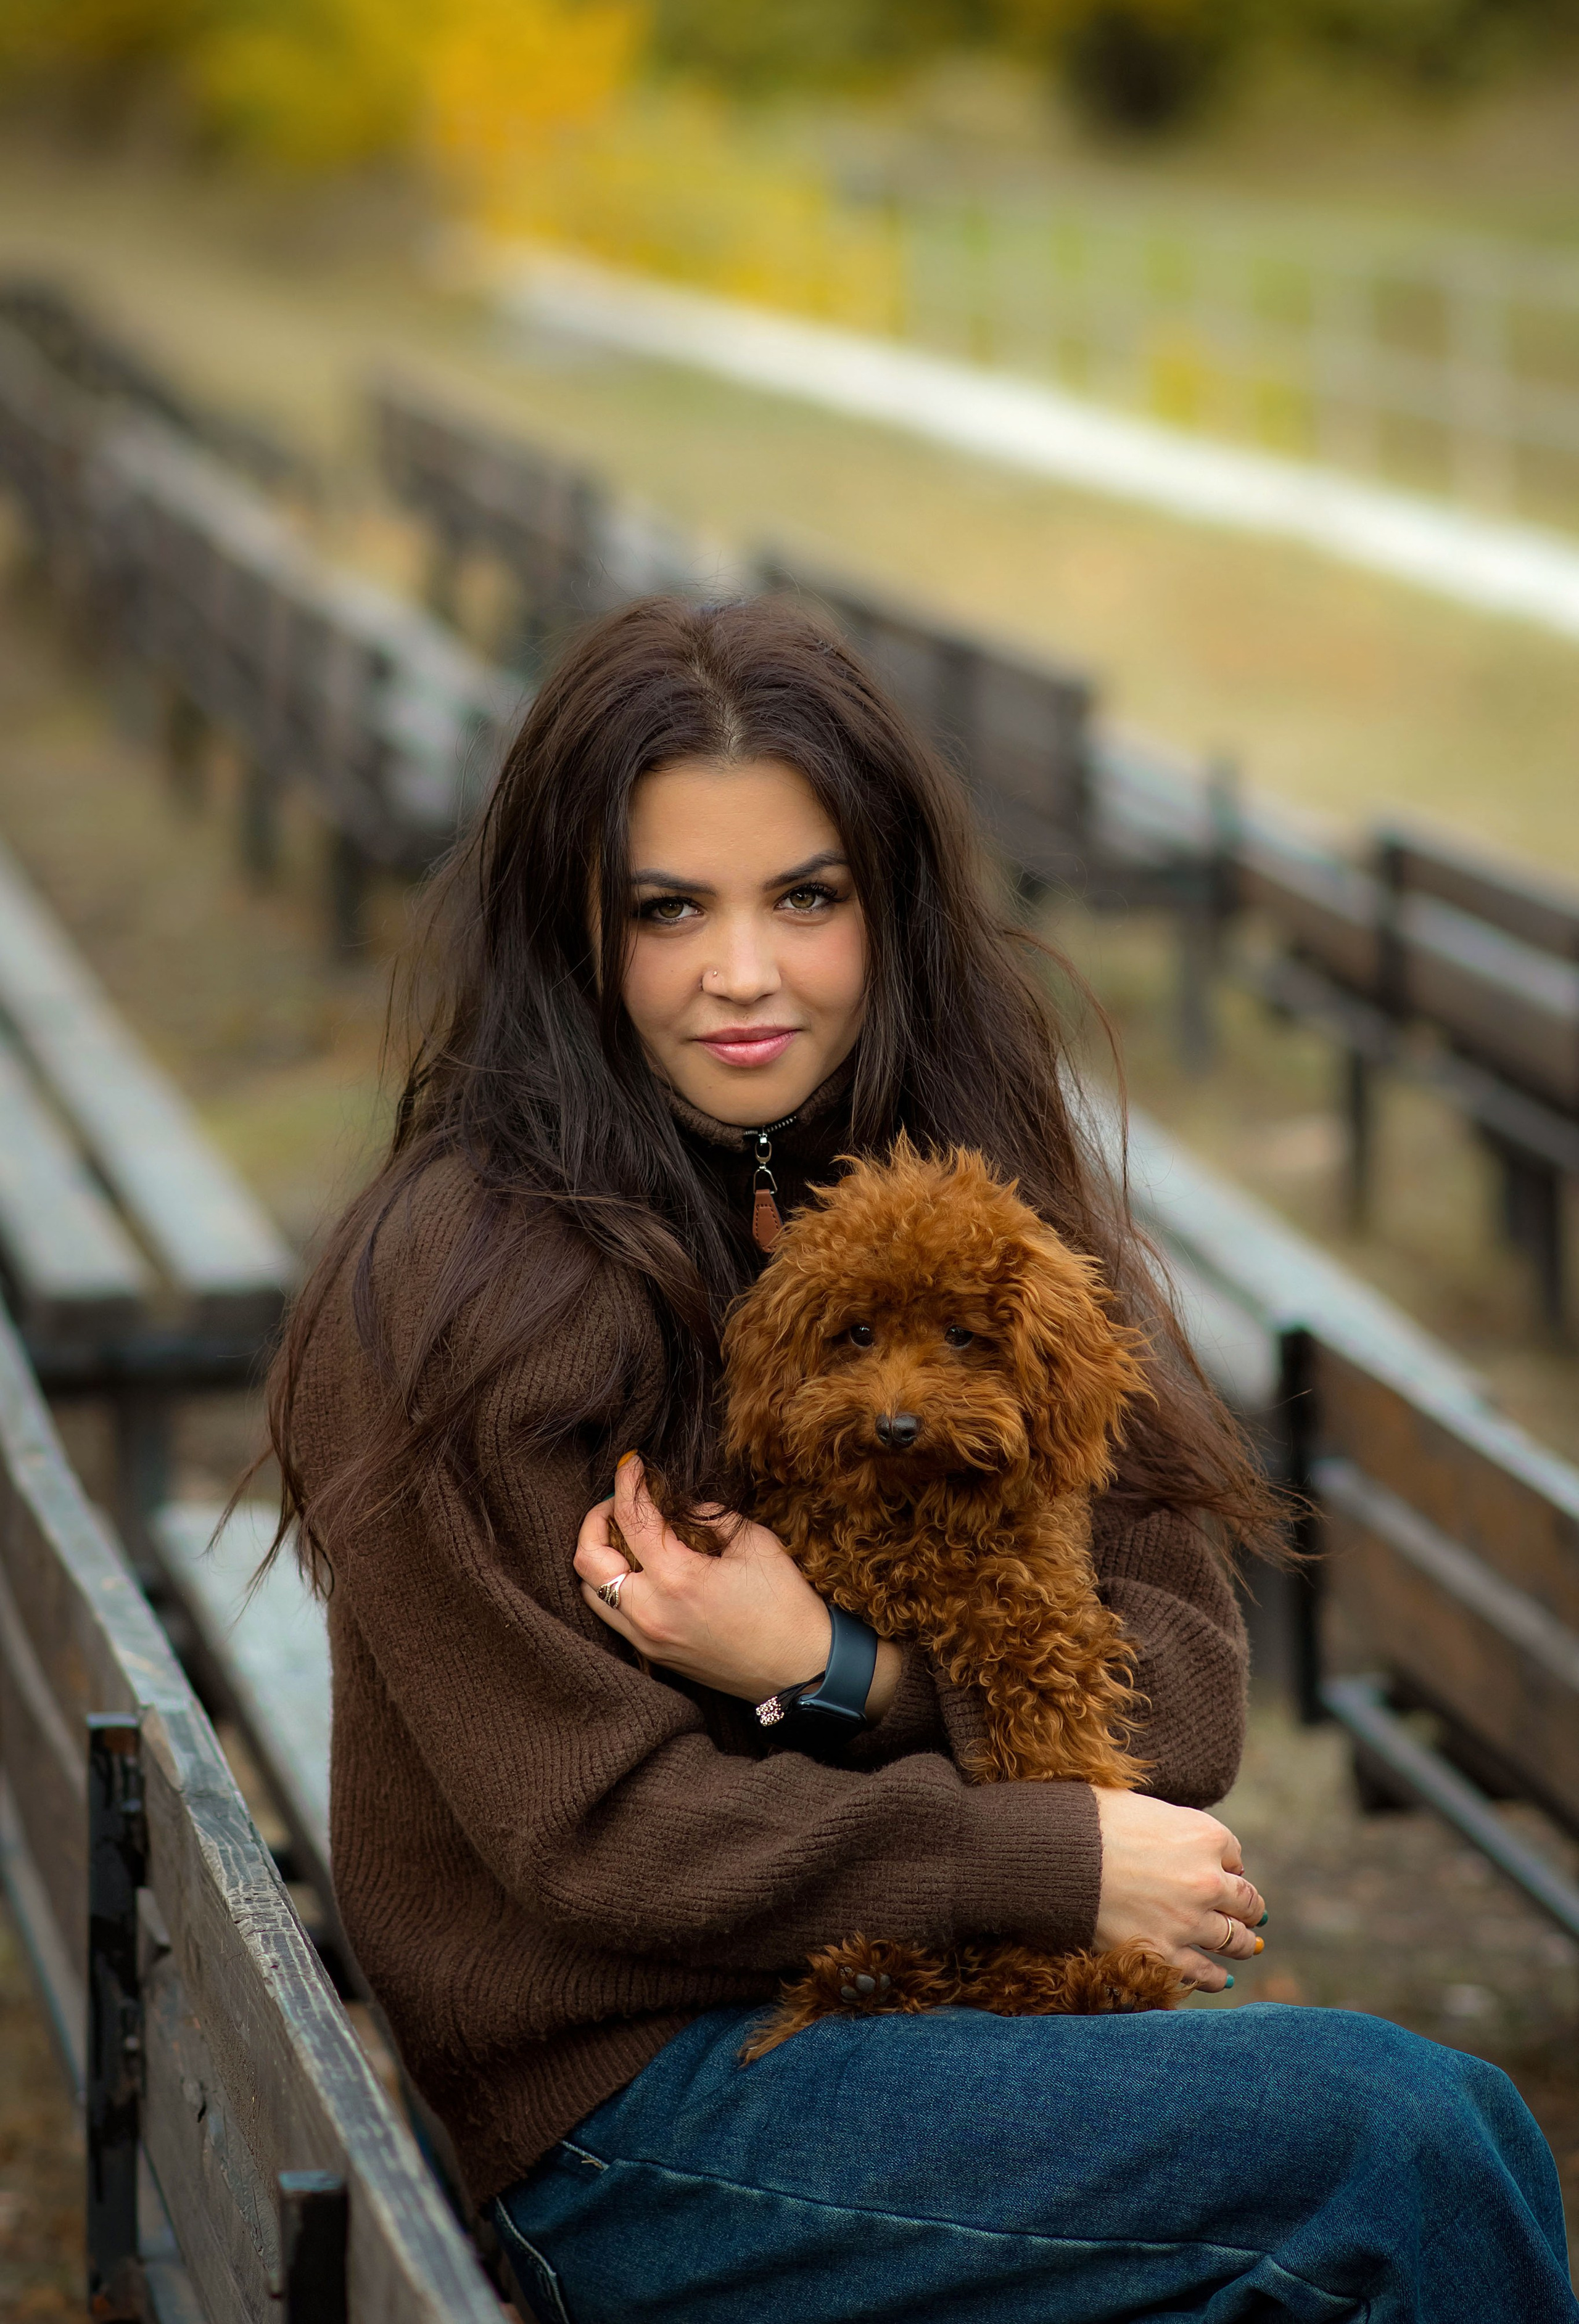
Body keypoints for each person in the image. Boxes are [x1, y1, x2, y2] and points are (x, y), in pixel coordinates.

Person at [266, 596, 1576, 2324]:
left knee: (1423, 2153)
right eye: (671, 908)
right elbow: (602, 1844)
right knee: (1405, 2146)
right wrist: (1031, 1854)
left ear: (887, 907)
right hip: (633, 2104)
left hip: (920, 2013)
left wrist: (844, 1670)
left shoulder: (960, 1201)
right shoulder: (457, 1284)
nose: (744, 970)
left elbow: (1174, 1699)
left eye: (805, 897)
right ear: (574, 930)